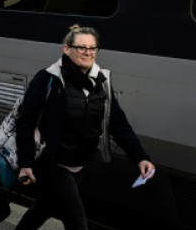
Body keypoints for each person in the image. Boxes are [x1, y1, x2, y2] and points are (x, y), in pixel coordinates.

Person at [14, 25, 155, 230]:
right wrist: (26, 162)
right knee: (77, 222)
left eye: (92, 48)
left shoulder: (102, 83)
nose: (87, 53)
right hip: (53, 163)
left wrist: (140, 157)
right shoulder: (49, 79)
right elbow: (25, 121)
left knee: (44, 207)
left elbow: (119, 124)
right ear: (66, 49)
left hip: (80, 163)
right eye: (81, 48)